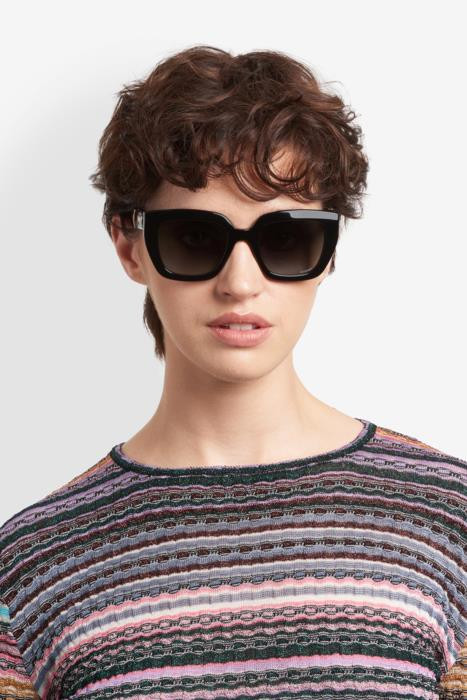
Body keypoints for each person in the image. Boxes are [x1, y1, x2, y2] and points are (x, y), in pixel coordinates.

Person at [0, 44, 465, 700]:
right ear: (129, 245)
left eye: (285, 238)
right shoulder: (29, 564)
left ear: (329, 249)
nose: (239, 283)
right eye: (195, 238)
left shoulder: (449, 519)